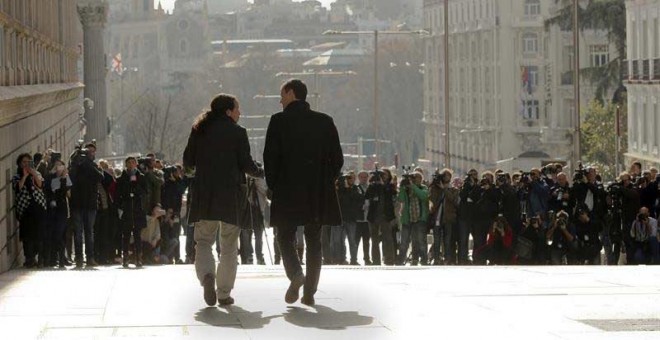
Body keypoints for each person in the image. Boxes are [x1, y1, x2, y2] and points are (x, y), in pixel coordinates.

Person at [264, 79, 343, 306]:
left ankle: (296, 274)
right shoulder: (325, 121)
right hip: (317, 191)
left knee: (285, 236)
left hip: (287, 190)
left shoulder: (278, 121)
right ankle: (310, 291)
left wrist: (274, 185)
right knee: (314, 239)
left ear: (291, 93)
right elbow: (337, 159)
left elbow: (270, 158)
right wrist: (325, 180)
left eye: (282, 94)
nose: (280, 100)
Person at [184, 93, 263, 307]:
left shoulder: (199, 130)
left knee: (203, 242)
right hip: (231, 196)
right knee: (229, 245)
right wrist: (260, 172)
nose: (240, 112)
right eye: (237, 108)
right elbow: (246, 164)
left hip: (204, 194)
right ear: (228, 111)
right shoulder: (238, 132)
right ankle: (223, 293)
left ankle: (207, 276)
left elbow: (188, 161)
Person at [69, 142, 104, 268]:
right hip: (77, 204)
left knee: (89, 232)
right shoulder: (75, 165)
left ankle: (90, 258)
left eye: (91, 152)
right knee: (78, 232)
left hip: (90, 204)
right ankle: (79, 258)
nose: (89, 154)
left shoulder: (92, 165)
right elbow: (70, 178)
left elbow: (100, 177)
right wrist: (77, 161)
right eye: (86, 152)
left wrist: (87, 164)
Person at [12, 153, 46, 268]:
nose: (26, 164)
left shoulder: (37, 173)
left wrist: (33, 174)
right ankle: (29, 259)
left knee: (39, 235)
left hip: (38, 207)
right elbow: (18, 188)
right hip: (25, 209)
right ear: (20, 164)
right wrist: (25, 176)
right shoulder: (17, 176)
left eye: (28, 162)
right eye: (24, 162)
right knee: (27, 236)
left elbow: (40, 185)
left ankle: (40, 258)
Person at [116, 157, 148, 268]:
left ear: (136, 164)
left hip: (138, 210)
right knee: (126, 235)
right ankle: (125, 258)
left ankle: (138, 258)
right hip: (127, 210)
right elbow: (118, 194)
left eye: (133, 162)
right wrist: (121, 206)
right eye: (128, 163)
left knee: (137, 235)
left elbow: (145, 192)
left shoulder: (141, 177)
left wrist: (135, 185)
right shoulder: (121, 178)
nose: (131, 165)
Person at [44, 159, 72, 268]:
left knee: (60, 233)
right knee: (52, 233)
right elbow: (51, 190)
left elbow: (68, 192)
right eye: (57, 166)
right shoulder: (50, 177)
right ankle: (52, 259)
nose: (59, 168)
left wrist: (64, 178)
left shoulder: (66, 177)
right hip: (51, 208)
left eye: (61, 166)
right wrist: (56, 177)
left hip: (62, 209)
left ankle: (61, 259)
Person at [397, 171, 430, 265]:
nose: (416, 180)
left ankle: (423, 259)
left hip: (420, 219)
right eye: (414, 178)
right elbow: (400, 199)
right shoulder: (406, 189)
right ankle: (400, 260)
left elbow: (423, 196)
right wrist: (402, 188)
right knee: (404, 242)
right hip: (407, 219)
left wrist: (413, 186)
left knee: (420, 241)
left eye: (418, 178)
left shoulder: (424, 188)